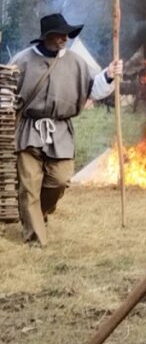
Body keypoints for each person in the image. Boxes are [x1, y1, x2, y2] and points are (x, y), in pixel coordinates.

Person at [12, 12, 121, 246]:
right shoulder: (22, 61)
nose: (65, 38)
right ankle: (35, 240)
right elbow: (6, 92)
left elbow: (93, 89)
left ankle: (37, 215)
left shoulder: (76, 62)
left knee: (59, 180)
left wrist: (109, 76)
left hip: (60, 130)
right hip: (29, 128)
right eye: (60, 34)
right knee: (29, 185)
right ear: (47, 36)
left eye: (67, 35)